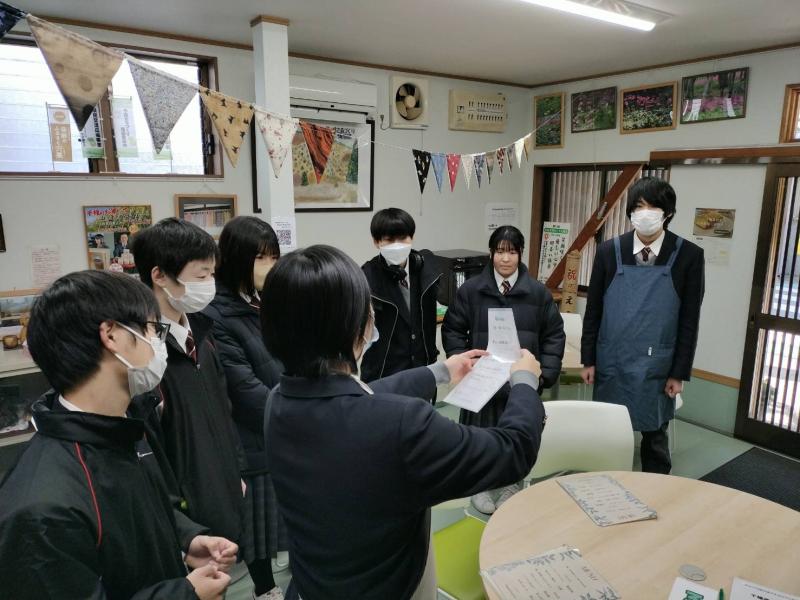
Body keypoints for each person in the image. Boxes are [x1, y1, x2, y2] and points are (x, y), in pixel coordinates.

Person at [261, 245, 546, 600]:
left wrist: (439, 372)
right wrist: (524, 382)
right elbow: (513, 451)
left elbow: (359, 399)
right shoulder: (402, 425)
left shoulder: (278, 401)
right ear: (355, 328)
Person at [0, 270, 235, 600]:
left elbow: (140, 511)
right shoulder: (42, 509)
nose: (158, 343)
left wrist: (185, 541)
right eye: (152, 329)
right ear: (111, 335)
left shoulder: (126, 426)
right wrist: (185, 594)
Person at [131, 218, 283, 600]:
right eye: (201, 275)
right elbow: (150, 453)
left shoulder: (202, 332)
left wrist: (236, 469)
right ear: (159, 276)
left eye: (212, 273)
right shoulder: (144, 356)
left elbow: (224, 407)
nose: (209, 284)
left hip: (223, 484)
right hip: (184, 509)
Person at [581, 177, 705, 474]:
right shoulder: (609, 251)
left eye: (653, 207)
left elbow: (689, 320)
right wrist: (588, 359)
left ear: (668, 213)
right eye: (638, 207)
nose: (644, 213)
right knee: (609, 430)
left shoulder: (688, 255)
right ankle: (605, 484)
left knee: (655, 435)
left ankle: (656, 488)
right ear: (630, 212)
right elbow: (594, 310)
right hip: (613, 359)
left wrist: (679, 372)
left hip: (657, 364)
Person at [442, 225, 565, 515]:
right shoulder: (471, 290)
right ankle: (480, 484)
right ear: (491, 254)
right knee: (480, 434)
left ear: (520, 254)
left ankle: (512, 483)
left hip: (519, 381)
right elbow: (453, 329)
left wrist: (543, 375)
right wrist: (463, 362)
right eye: (499, 251)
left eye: (511, 252)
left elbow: (554, 336)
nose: (505, 258)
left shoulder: (538, 293)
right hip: (481, 380)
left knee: (517, 432)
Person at [203, 216, 285, 599]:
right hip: (251, 434)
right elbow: (243, 388)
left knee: (282, 518)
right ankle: (265, 589)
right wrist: (293, 411)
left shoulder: (265, 299)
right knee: (258, 529)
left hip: (280, 421)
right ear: (237, 258)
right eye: (261, 258)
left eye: (274, 257)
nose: (270, 266)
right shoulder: (216, 313)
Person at [361, 208, 440, 384]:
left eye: (403, 238)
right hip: (383, 373)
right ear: (376, 242)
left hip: (423, 368)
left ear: (412, 238)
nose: (397, 245)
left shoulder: (427, 268)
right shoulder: (366, 277)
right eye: (389, 240)